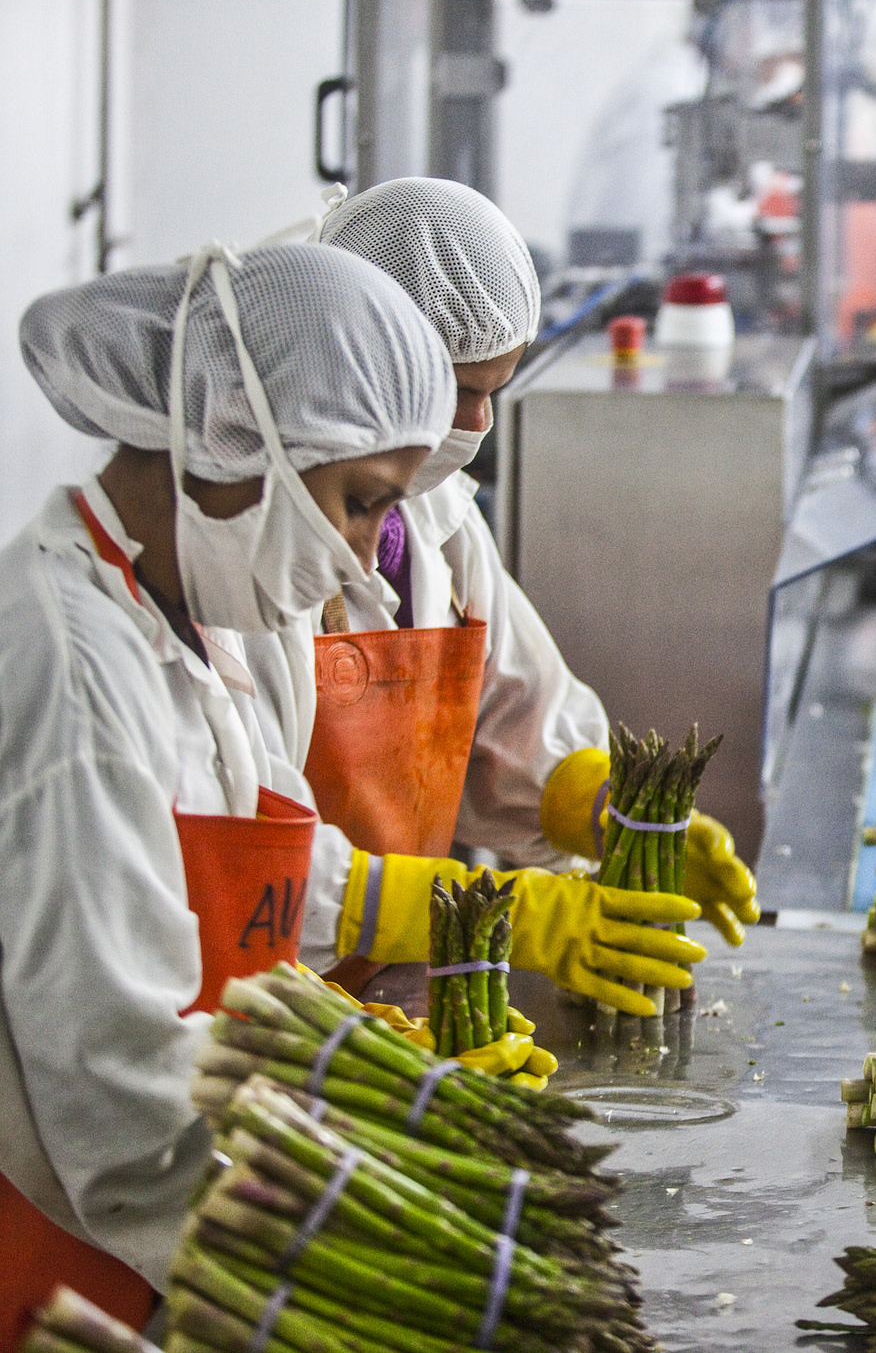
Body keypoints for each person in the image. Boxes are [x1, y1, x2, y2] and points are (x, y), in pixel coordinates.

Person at [0, 242, 453, 1329]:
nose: (357, 557)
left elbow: (245, 854)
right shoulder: (68, 662)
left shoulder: (205, 611)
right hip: (74, 1256)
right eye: (355, 501)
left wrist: (413, 914)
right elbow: (116, 1081)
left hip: (191, 1224)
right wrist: (350, 1248)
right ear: (234, 438)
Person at [245, 178, 756, 992]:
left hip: (378, 983)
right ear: (368, 372)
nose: (478, 427)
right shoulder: (250, 557)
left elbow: (505, 715)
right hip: (265, 997)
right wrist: (529, 913)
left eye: (496, 391)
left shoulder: (437, 518)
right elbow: (239, 849)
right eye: (460, 391)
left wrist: (607, 809)